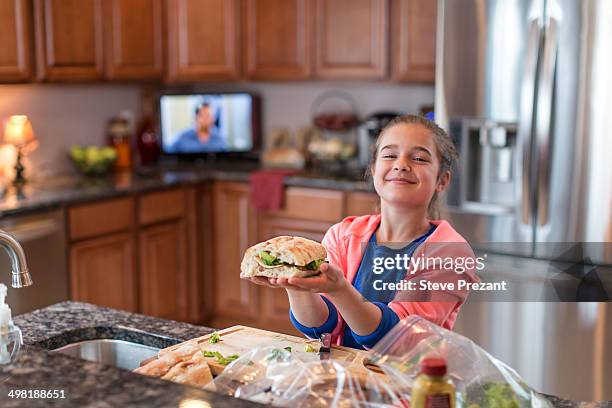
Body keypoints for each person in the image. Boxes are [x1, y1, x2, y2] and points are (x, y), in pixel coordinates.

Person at [243, 115, 479, 349]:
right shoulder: (344, 235)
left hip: (408, 384)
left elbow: (396, 337)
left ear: (442, 180)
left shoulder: (450, 254)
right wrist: (296, 285)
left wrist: (339, 289)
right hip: (341, 378)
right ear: (374, 170)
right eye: (389, 155)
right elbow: (322, 327)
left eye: (419, 158)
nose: (401, 164)